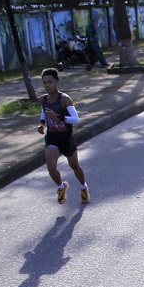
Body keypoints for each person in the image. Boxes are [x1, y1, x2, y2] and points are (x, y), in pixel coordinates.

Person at [37, 68, 89, 205]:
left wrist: (58, 117)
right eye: (45, 83)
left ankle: (83, 187)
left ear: (57, 82)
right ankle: (61, 187)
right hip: (52, 138)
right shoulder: (44, 99)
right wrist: (42, 125)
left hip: (66, 139)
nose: (47, 85)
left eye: (50, 82)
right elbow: (44, 113)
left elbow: (76, 120)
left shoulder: (65, 99)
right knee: (51, 167)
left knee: (75, 166)